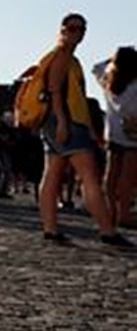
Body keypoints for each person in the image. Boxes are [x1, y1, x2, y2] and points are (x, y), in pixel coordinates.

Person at [36, 14, 130, 246]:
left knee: (53, 173)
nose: (77, 33)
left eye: (81, 28)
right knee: (89, 176)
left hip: (59, 121)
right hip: (66, 121)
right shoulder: (62, 56)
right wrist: (64, 122)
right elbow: (55, 90)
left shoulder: (64, 57)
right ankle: (107, 230)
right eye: (72, 28)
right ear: (63, 29)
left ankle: (50, 228)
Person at [92, 46, 137, 229]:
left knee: (110, 176)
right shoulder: (135, 84)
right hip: (133, 135)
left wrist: (112, 59)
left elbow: (96, 66)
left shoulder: (107, 79)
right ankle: (124, 214)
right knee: (127, 178)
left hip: (112, 133)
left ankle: (111, 211)